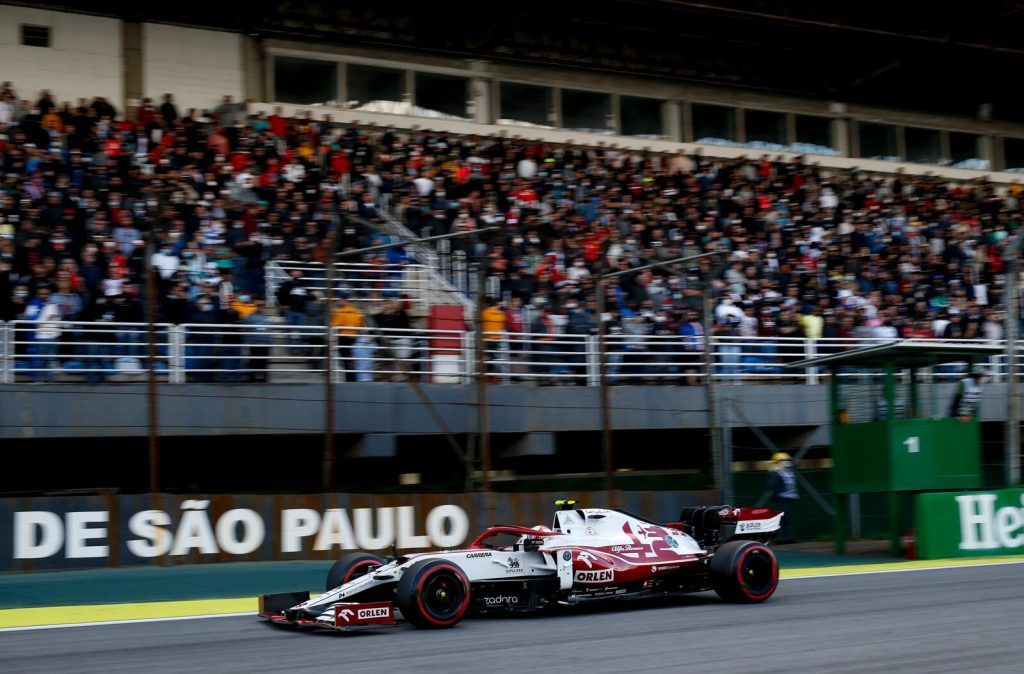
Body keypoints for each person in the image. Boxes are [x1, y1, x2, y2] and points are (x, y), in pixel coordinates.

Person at [767, 452, 799, 544]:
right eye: (783, 460)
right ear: (777, 462)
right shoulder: (775, 473)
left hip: (790, 498)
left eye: (787, 460)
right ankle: (779, 538)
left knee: (787, 519)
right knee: (781, 519)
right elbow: (772, 486)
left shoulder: (790, 473)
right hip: (781, 498)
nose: (786, 462)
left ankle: (788, 538)